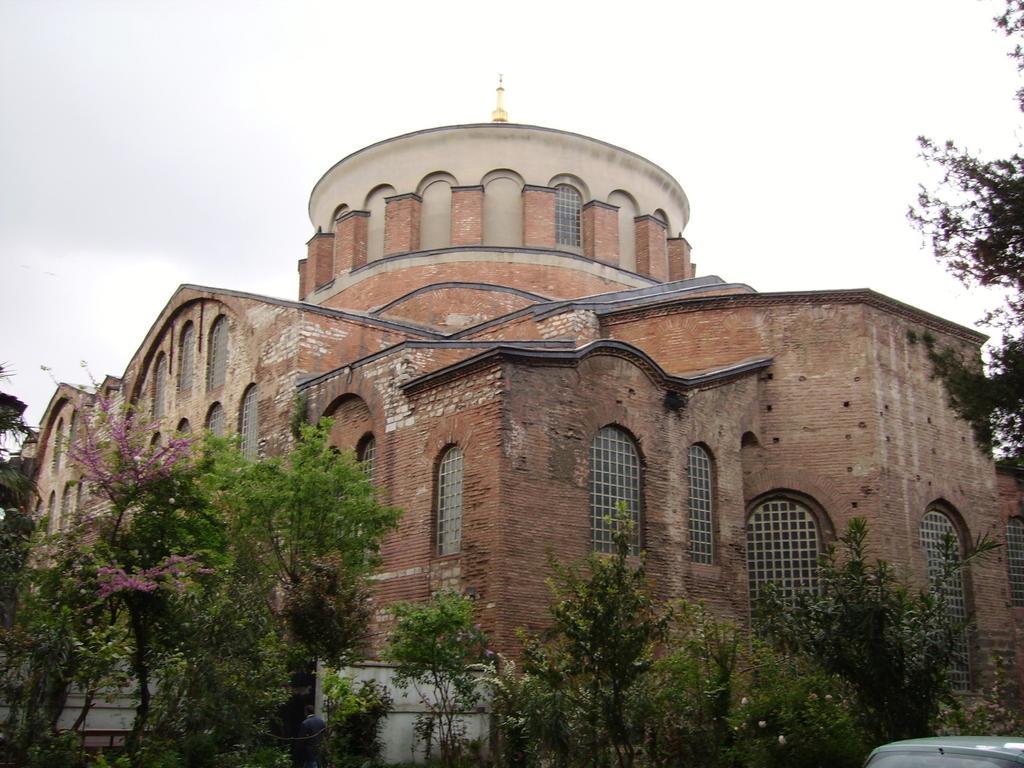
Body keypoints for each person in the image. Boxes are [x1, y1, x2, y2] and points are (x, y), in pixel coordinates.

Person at [298, 703, 326, 768]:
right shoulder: (321, 721)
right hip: (319, 749)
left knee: (312, 764)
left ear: (306, 712)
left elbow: (301, 739)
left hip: (309, 752)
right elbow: (324, 736)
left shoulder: (305, 723)